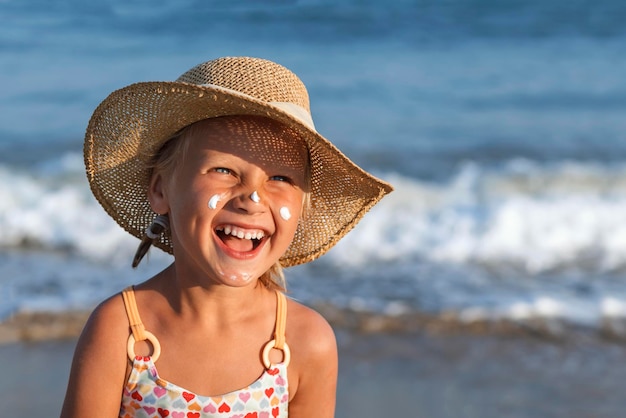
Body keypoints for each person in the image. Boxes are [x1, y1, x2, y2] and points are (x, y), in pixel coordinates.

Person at [60, 56, 393, 418]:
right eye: (224, 170)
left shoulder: (304, 342)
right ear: (161, 190)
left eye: (280, 179)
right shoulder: (120, 331)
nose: (253, 198)